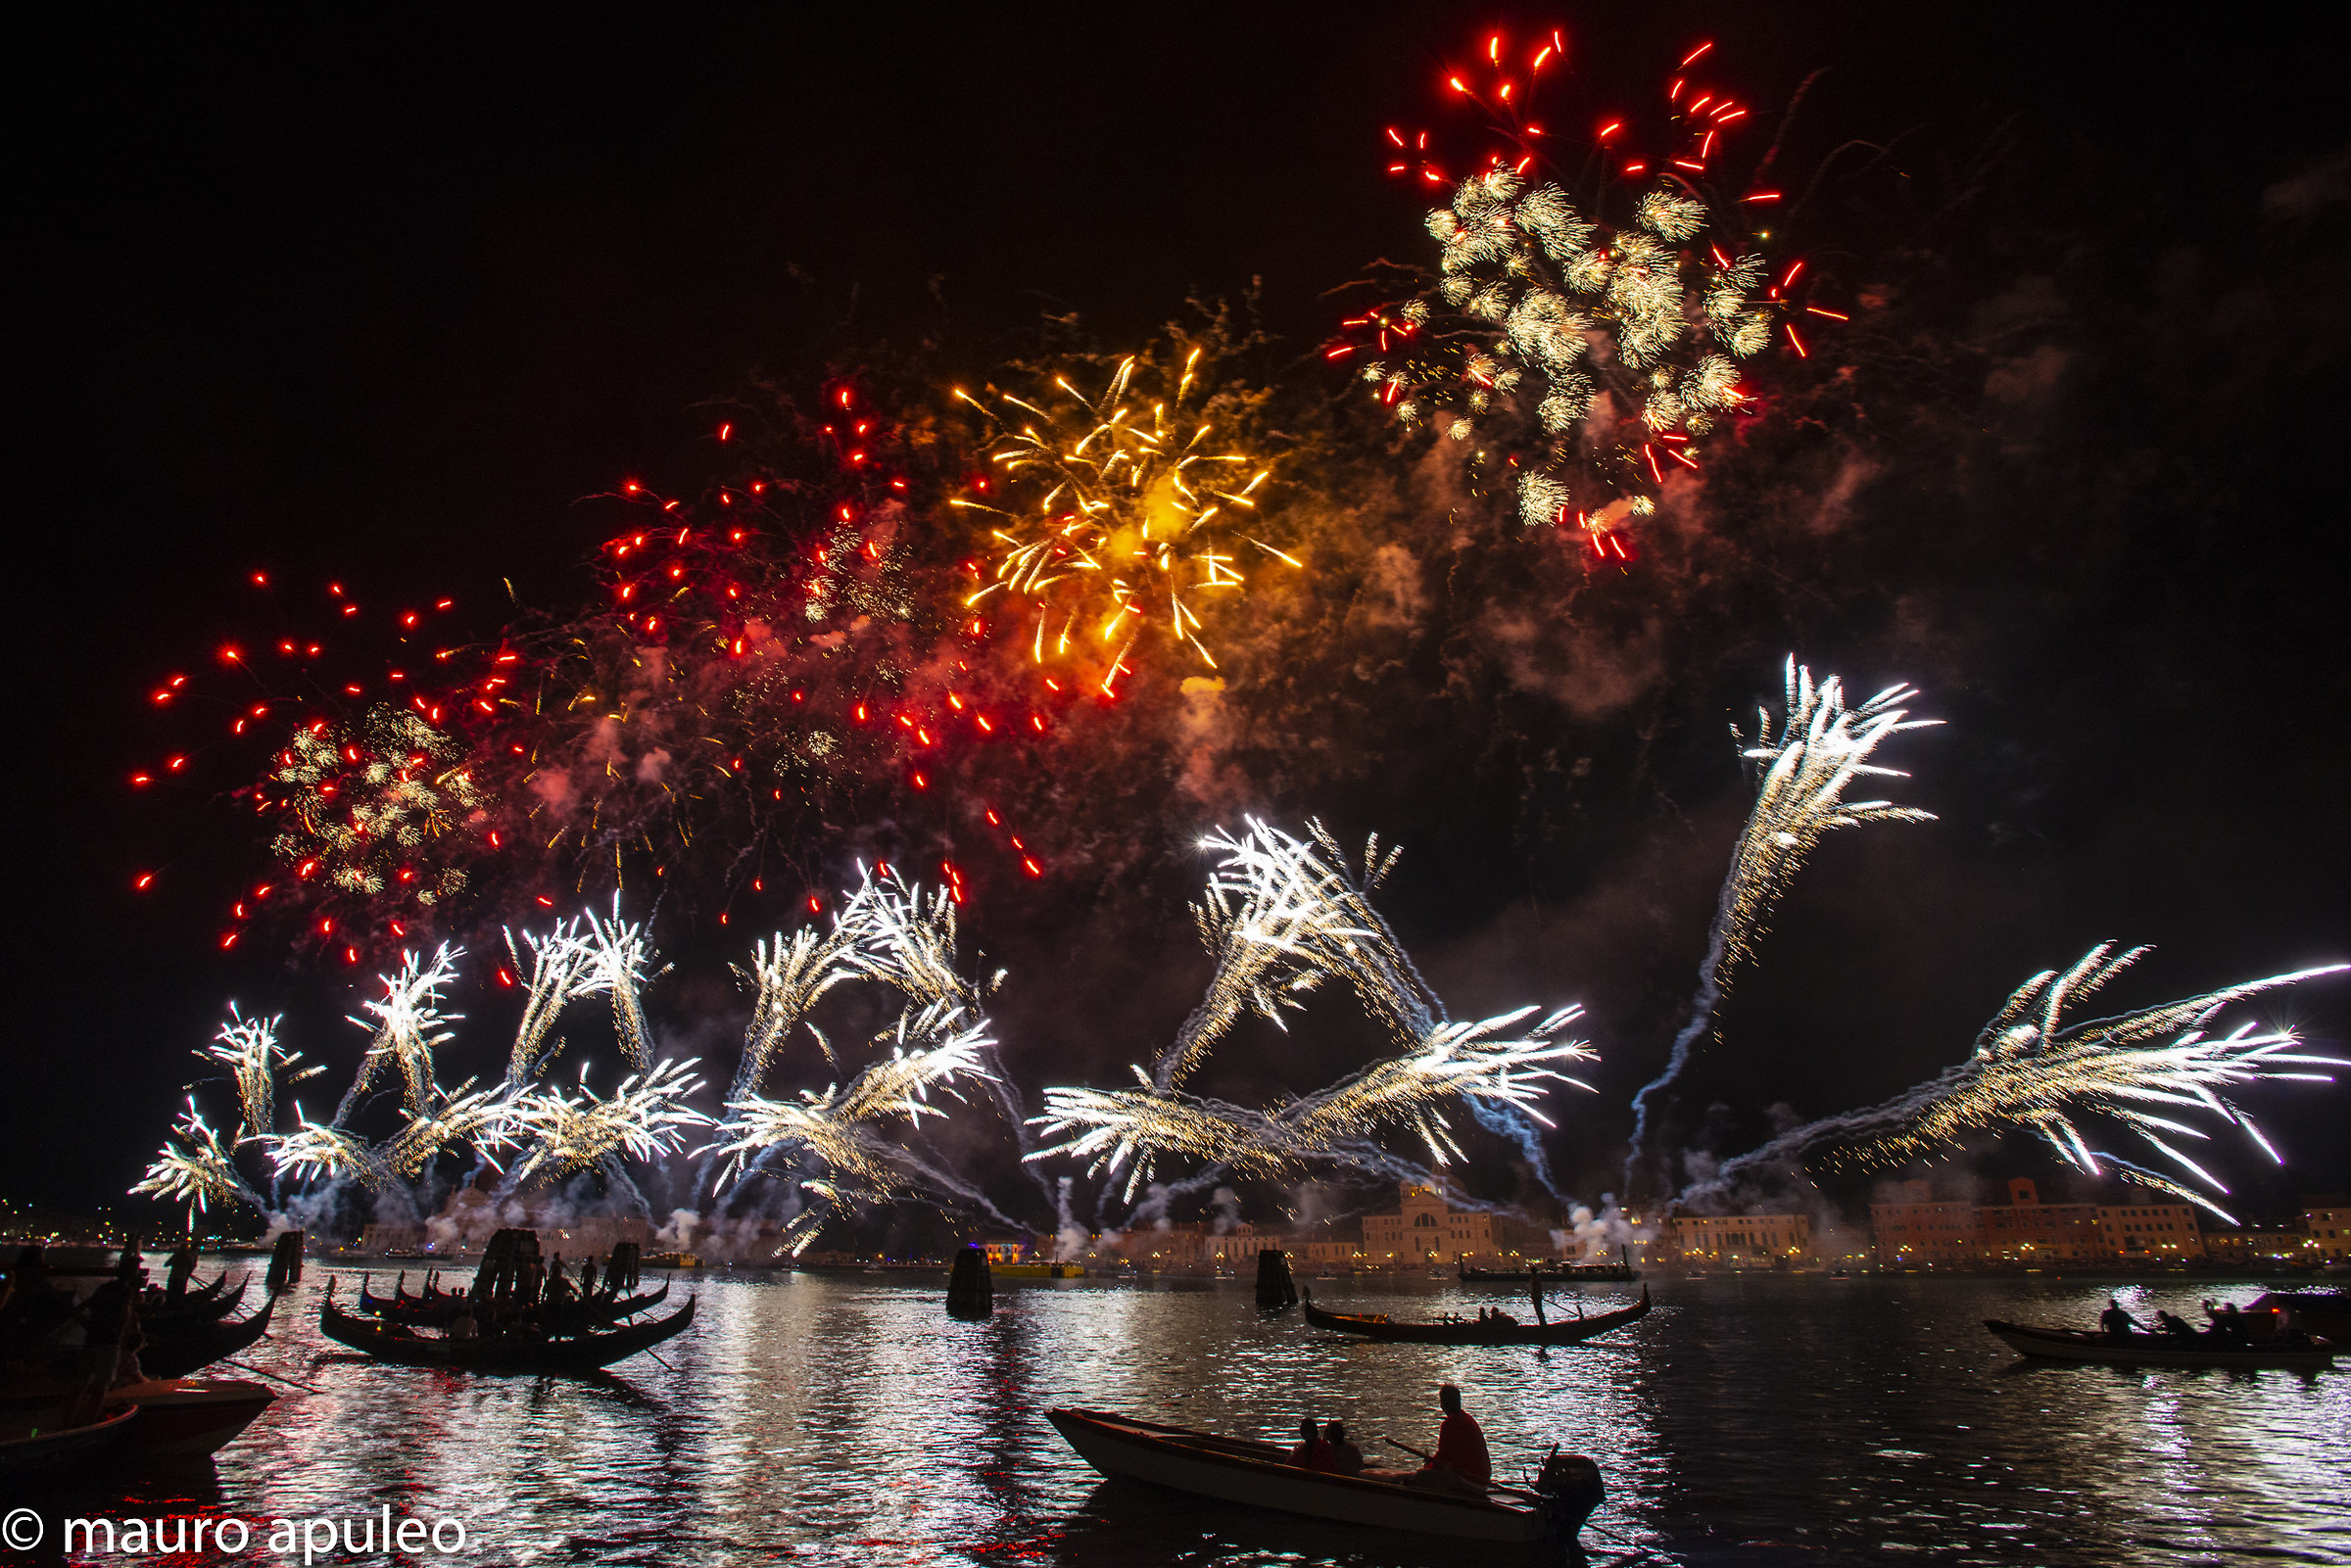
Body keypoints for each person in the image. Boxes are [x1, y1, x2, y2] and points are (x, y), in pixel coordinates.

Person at [1410, 1384, 1490, 1494]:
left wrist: (1429, 1466)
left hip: (1471, 1481)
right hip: (1483, 1480)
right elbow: (1451, 1456)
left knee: (1421, 1476)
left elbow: (1442, 1459)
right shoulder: (1468, 1419)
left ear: (1443, 1404)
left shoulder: (1450, 1424)